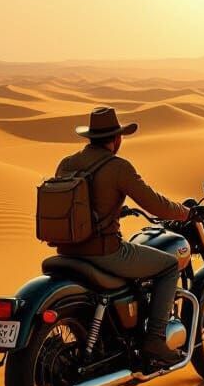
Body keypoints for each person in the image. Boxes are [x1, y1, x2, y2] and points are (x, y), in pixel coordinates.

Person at [55, 106, 191, 366]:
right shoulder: (118, 168)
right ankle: (154, 340)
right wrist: (184, 213)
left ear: (90, 138)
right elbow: (155, 205)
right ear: (116, 139)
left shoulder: (67, 164)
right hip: (105, 253)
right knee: (169, 266)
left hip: (67, 252)